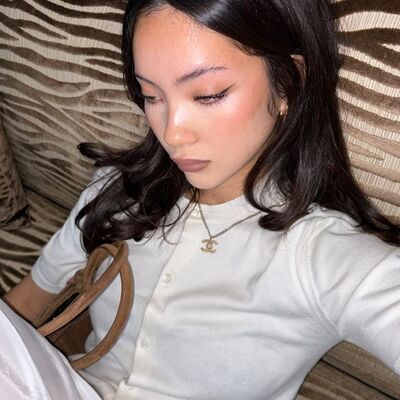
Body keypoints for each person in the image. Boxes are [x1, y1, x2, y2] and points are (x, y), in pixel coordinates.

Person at [3, 0, 400, 399]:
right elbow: (24, 308)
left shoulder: (322, 256)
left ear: (288, 83)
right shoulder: (118, 192)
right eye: (151, 96)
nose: (171, 133)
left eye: (208, 95)